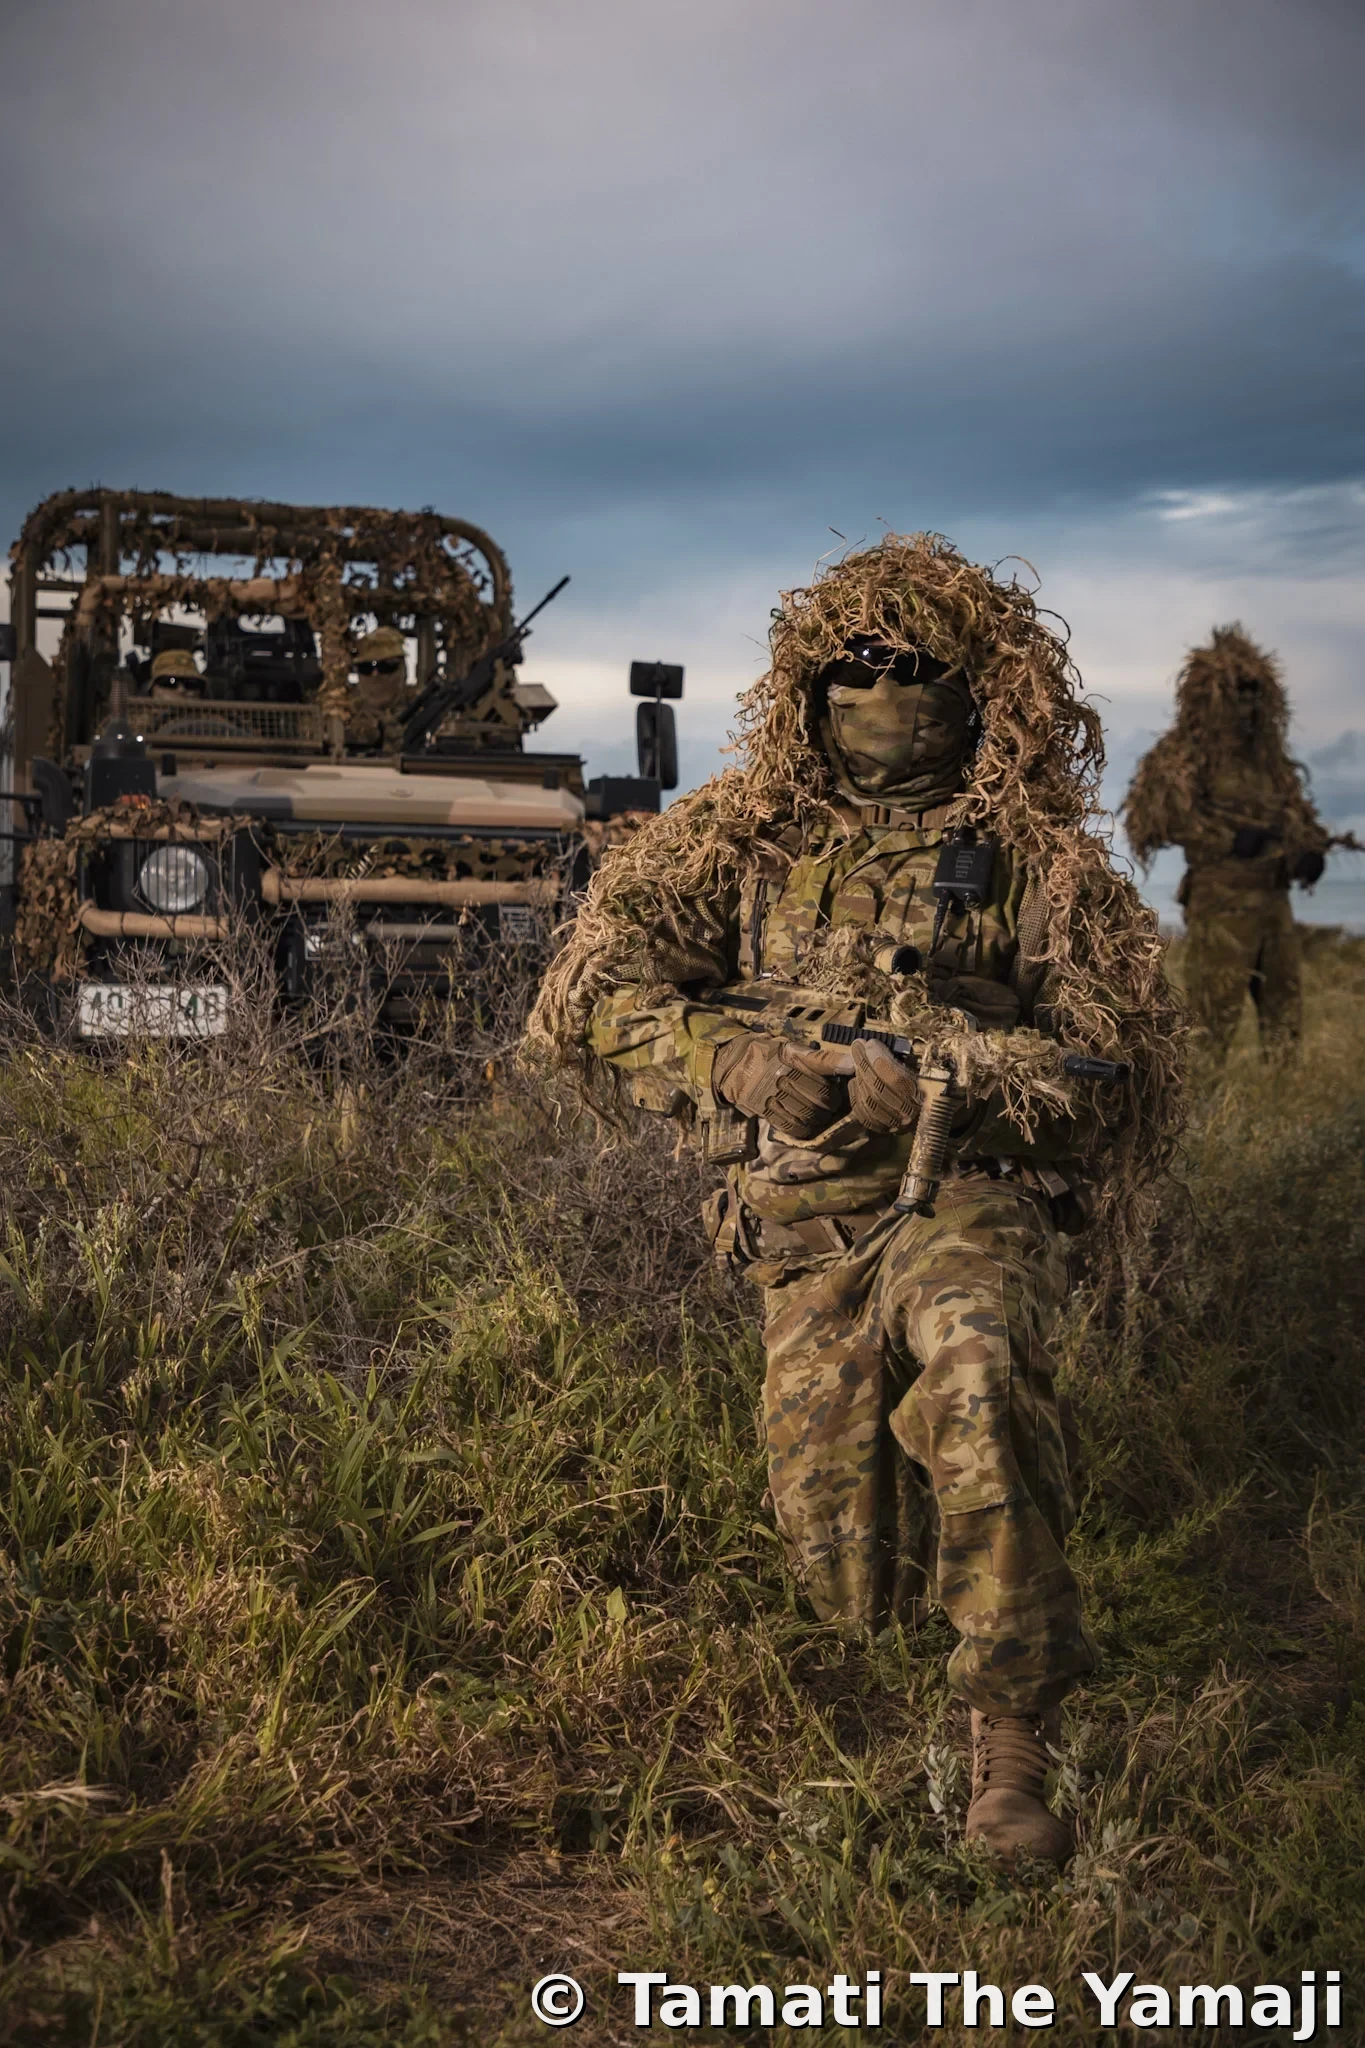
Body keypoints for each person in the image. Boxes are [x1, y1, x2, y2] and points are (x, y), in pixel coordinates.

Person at [528, 534, 1183, 1867]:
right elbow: (593, 994)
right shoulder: (737, 840)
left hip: (968, 1195)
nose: (878, 686)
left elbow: (1112, 1072)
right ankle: (874, 1655)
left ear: (973, 683)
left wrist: (958, 1077)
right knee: (840, 1586)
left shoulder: (1037, 864)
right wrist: (748, 1062)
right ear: (809, 684)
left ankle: (1011, 1748)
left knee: (979, 1379)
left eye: (910, 665)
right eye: (853, 665)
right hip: (802, 1213)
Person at [1123, 626, 1330, 1062]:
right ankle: (1201, 1110)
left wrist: (1309, 853)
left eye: (1254, 692)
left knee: (1284, 1021)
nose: (1247, 703)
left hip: (1275, 903)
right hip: (1220, 902)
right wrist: (1226, 839)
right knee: (1209, 1022)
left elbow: (1297, 818)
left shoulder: (1270, 762)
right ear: (1210, 693)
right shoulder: (1184, 753)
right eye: (1237, 691)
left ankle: (1282, 1108)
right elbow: (1150, 820)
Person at [348, 625, 409, 747]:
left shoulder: (418, 708)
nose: (375, 675)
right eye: (366, 668)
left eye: (385, 666)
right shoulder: (345, 713)